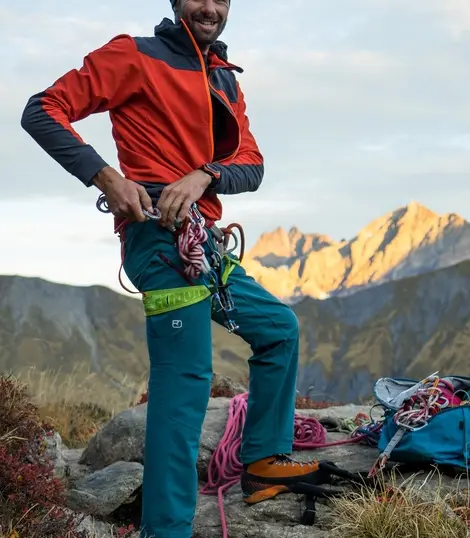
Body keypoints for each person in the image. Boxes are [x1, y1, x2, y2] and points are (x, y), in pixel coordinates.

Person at [20, 1, 323, 536]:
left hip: (204, 244)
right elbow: (42, 109)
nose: (210, 6)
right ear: (176, 0)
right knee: (185, 383)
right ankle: (166, 529)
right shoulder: (133, 55)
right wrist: (106, 178)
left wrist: (204, 176)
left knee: (279, 330)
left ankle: (263, 460)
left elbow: (251, 165)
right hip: (158, 242)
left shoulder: (224, 77)